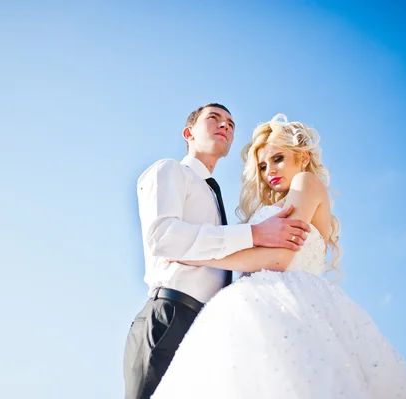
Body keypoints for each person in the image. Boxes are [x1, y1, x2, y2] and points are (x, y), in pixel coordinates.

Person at [151, 114, 406, 399]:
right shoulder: (277, 204)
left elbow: (279, 258)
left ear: (304, 157)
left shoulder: (306, 183)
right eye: (262, 165)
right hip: (251, 308)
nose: (270, 170)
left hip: (293, 301)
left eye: (278, 158)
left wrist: (201, 257)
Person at [123, 105, 312, 399]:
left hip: (207, 328)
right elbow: (163, 238)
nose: (225, 125)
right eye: (214, 118)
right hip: (171, 314)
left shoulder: (212, 193)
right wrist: (254, 234)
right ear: (188, 133)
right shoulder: (170, 170)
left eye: (231, 123)